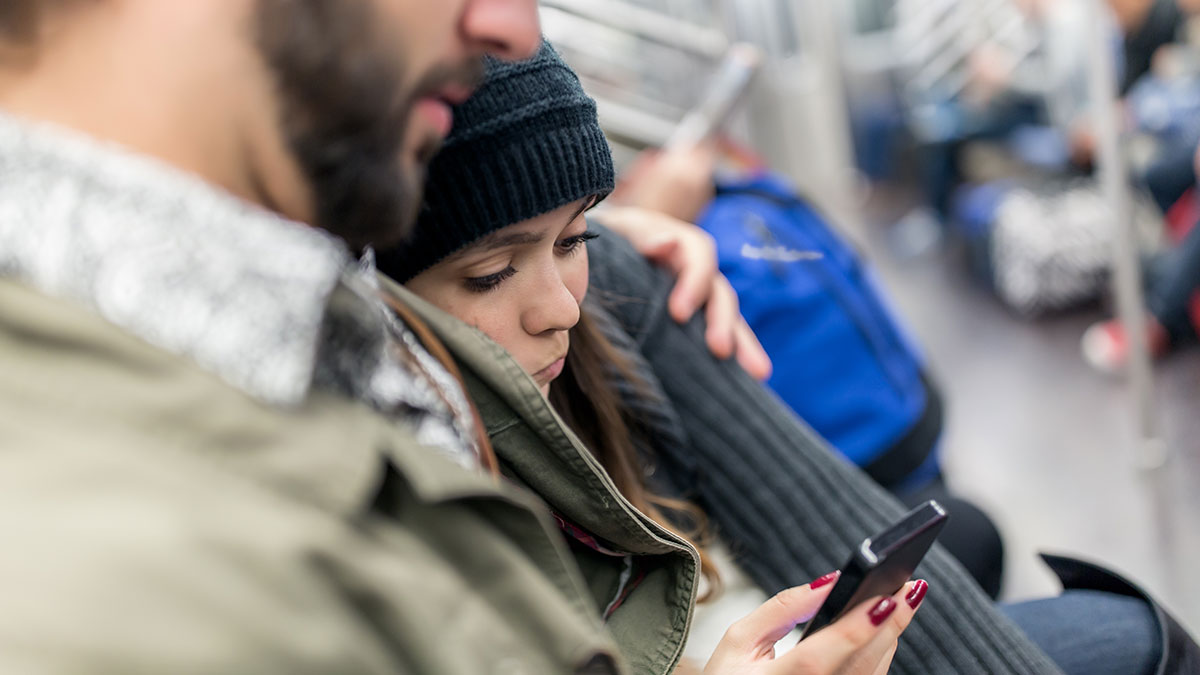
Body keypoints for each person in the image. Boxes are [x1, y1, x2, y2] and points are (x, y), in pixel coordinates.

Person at [380, 41, 1193, 675]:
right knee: (1127, 638)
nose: (559, 307)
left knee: (969, 532)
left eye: (574, 238)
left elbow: (802, 496)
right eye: (491, 273)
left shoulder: (617, 286)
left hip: (739, 606)